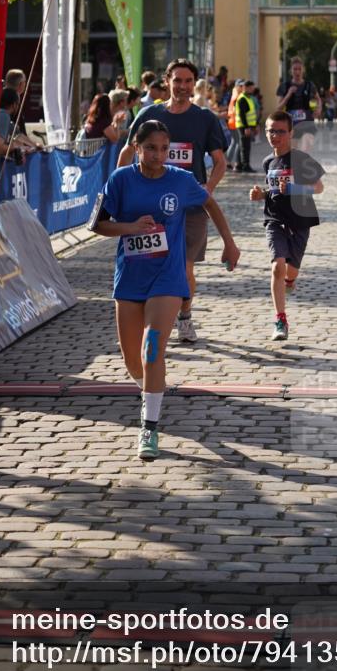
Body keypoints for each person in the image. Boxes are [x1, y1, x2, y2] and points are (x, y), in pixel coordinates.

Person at [94, 119, 240, 459]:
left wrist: (229, 244)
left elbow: (210, 204)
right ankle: (153, 391)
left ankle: (149, 427)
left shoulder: (181, 179)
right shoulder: (121, 180)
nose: (158, 155)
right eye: (150, 148)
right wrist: (130, 227)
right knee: (133, 361)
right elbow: (97, 223)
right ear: (136, 147)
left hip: (167, 279)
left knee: (151, 348)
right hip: (130, 278)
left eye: (163, 148)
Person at [118, 58, 227, 344]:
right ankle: (152, 316)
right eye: (177, 80)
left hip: (190, 207)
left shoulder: (205, 118)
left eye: (188, 81)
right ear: (167, 81)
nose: (183, 86)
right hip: (150, 206)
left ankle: (185, 316)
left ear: (194, 84)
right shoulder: (149, 114)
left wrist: (207, 189)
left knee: (185, 267)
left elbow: (220, 162)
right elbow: (128, 153)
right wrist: (119, 190)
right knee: (149, 263)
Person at [249, 111, 325, 342]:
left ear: (291, 133)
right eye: (271, 131)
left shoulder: (301, 159)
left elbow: (319, 187)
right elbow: (271, 189)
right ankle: (280, 319)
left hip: (300, 221)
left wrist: (293, 189)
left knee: (291, 270)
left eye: (281, 131)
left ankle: (291, 281)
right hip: (274, 219)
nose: (275, 136)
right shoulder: (267, 162)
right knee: (277, 267)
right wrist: (260, 194)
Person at [276, 57, 322, 152]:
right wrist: (288, 94)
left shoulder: (309, 85)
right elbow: (279, 108)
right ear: (291, 71)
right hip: (291, 125)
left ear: (303, 70)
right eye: (295, 69)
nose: (297, 72)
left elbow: (318, 99)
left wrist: (318, 109)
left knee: (305, 149)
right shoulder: (285, 86)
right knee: (293, 152)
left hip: (307, 123)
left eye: (299, 69)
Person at [235, 79, 258, 173]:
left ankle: (240, 165)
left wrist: (255, 125)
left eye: (253, 88)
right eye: (250, 88)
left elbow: (251, 113)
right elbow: (242, 114)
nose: (252, 90)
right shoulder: (242, 99)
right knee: (245, 147)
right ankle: (245, 165)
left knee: (243, 146)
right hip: (244, 126)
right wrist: (246, 127)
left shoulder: (248, 98)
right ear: (245, 88)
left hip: (248, 126)